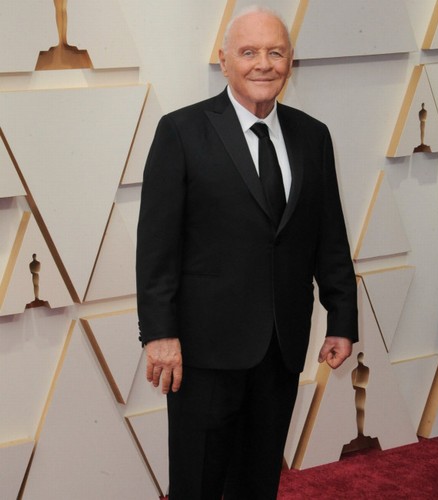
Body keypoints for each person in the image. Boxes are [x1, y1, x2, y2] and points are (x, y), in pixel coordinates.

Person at [136, 6, 358, 499]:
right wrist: (160, 334)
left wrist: (342, 318)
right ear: (224, 61)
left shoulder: (313, 135)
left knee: (258, 483)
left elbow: (329, 235)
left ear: (290, 61)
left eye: (275, 52)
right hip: (203, 351)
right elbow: (156, 246)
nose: (263, 64)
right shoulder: (180, 132)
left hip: (280, 347)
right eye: (249, 52)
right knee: (197, 484)